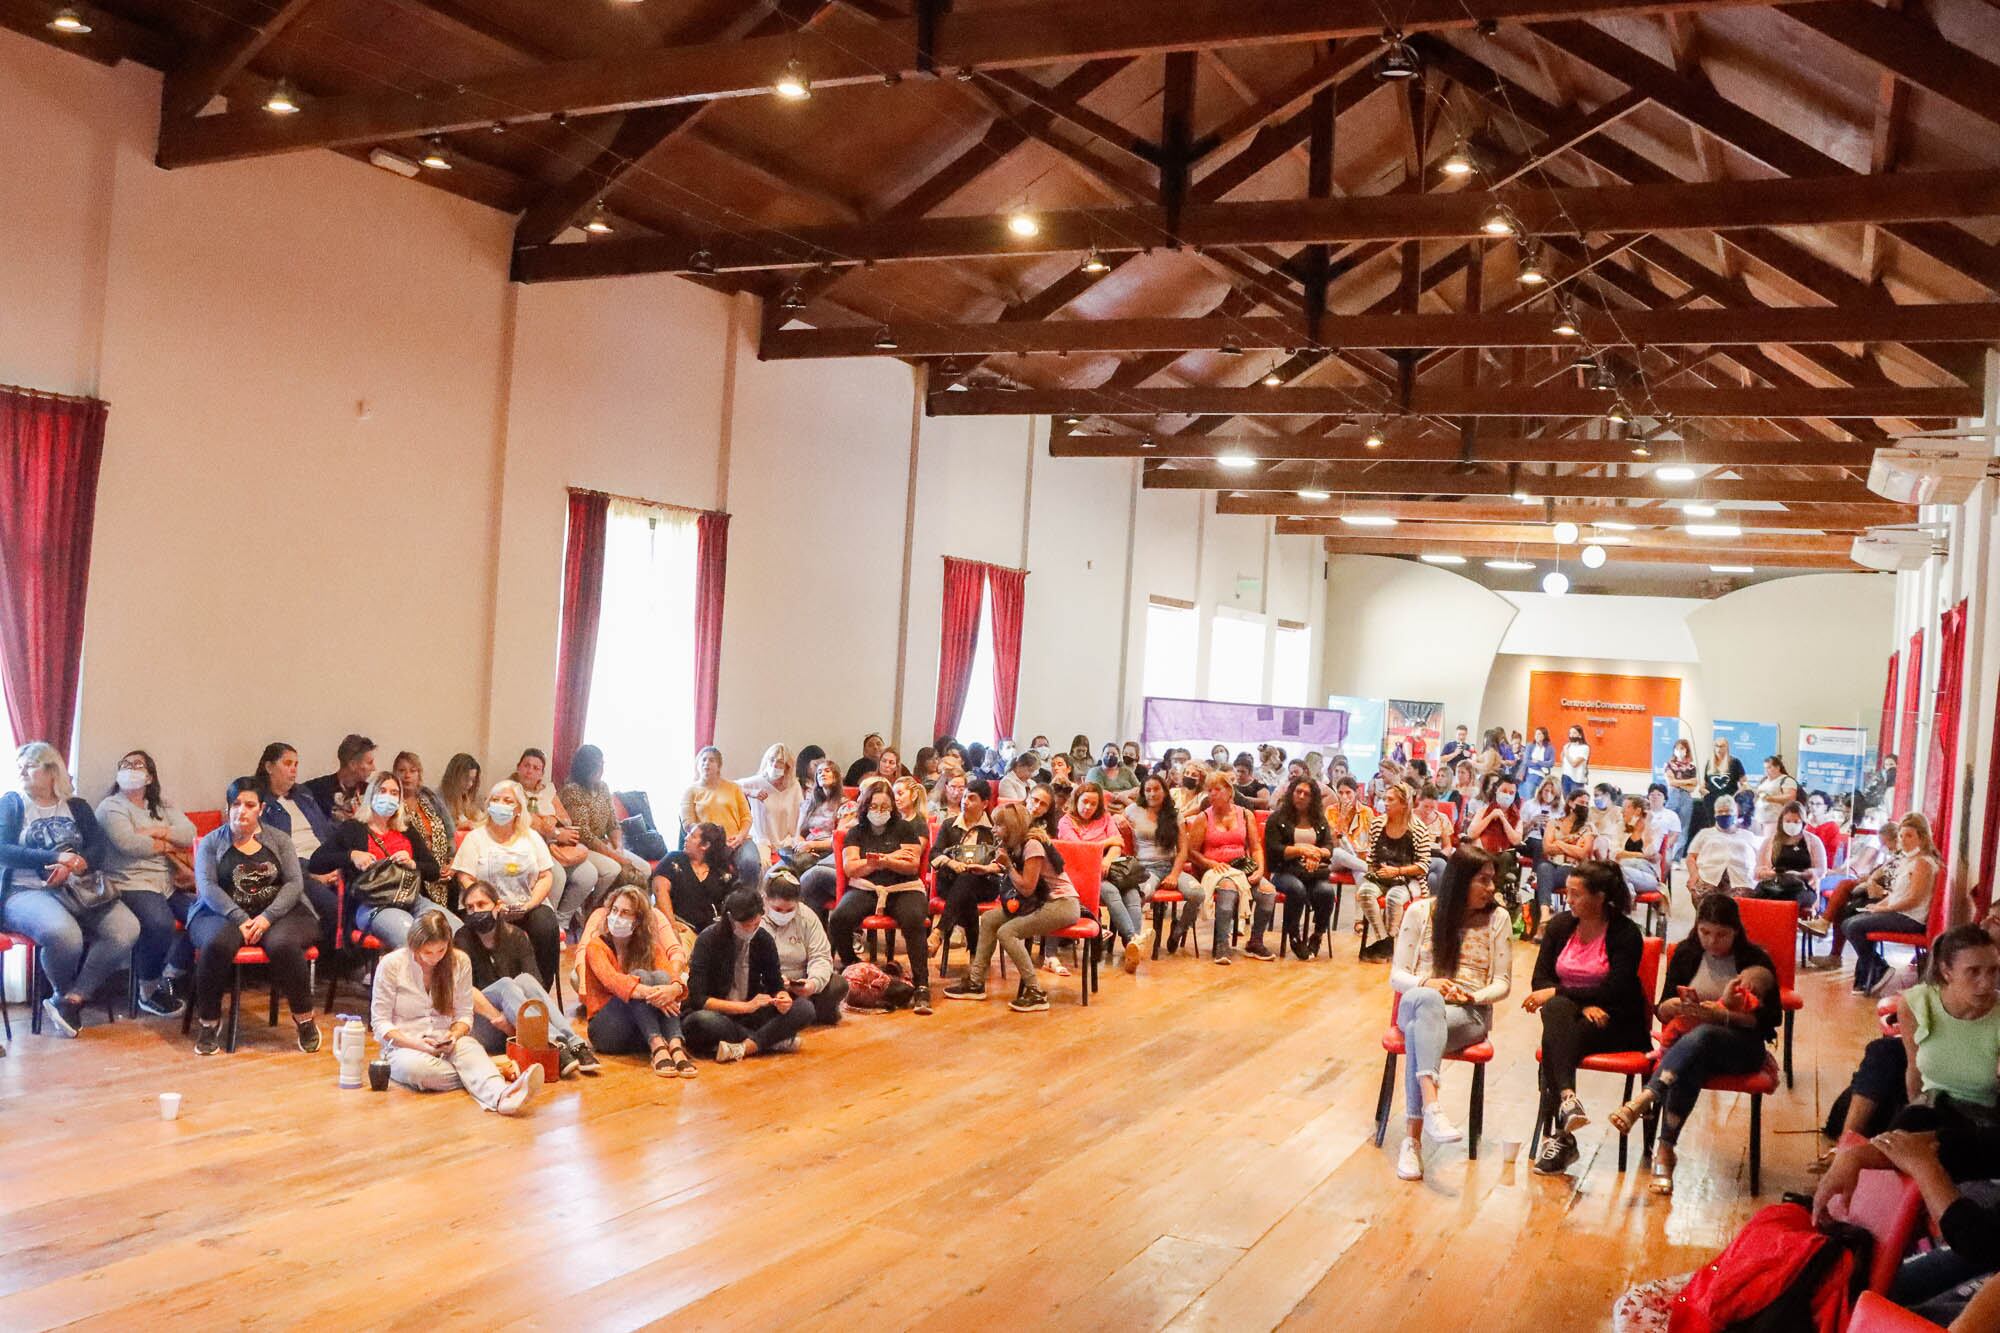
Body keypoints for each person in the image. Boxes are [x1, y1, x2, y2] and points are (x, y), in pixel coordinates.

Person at [1813, 924, 2000, 1314]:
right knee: (1862, 1288)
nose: (1986, 982)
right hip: (1943, 1112)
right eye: (1975, 972)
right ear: (1946, 970)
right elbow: (1970, 1143)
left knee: (1899, 1311)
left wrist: (1921, 1163)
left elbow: (1980, 1240)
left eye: (1994, 971)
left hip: (1979, 1116)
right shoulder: (1919, 1002)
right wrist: (1861, 1154)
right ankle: (1853, 1188)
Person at [1607, 895, 1782, 1194]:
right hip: (1692, 1045)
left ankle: (1649, 1097)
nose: (1712, 942)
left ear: (1736, 931)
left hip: (1742, 1047)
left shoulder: (1756, 961)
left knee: (1703, 1037)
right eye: (1705, 932)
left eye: (1722, 935)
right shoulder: (1687, 953)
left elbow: (1769, 1022)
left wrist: (1723, 1015)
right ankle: (1665, 1150)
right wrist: (1674, 1006)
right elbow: (1661, 1010)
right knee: (1694, 1060)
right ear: (1697, 928)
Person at [1390, 847, 1514, 1180]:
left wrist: (1474, 995)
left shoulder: (1498, 918)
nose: (1491, 888)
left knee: (1419, 1030)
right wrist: (1428, 982)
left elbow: (1503, 983)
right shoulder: (1420, 912)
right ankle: (1432, 1107)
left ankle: (1413, 1142)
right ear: (1460, 881)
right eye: (1483, 880)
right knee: (1426, 1003)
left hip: (1467, 1014)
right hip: (1419, 1001)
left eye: (1493, 880)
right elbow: (1396, 975)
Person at [0, 742, 134, 1038]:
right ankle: (62, 992)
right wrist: (55, 858)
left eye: (30, 765)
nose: (22, 770)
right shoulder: (12, 802)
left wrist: (77, 863)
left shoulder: (77, 806)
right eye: (19, 764)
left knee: (125, 928)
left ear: (51, 772)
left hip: (79, 888)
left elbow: (98, 847)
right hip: (26, 892)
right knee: (64, 935)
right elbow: (3, 850)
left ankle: (71, 1000)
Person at [1525, 860, 1648, 1176]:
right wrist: (1578, 1004)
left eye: (1577, 894)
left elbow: (1615, 990)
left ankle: (1563, 1138)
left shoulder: (1626, 933)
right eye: (1567, 893)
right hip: (1574, 1017)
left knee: (1555, 1025)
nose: (1569, 900)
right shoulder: (1561, 926)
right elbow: (1540, 981)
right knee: (1557, 1016)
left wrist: (1560, 995)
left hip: (1617, 1021)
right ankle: (1568, 1101)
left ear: (1601, 896)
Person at [189, 782, 322, 1056]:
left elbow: (294, 883)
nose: (242, 812)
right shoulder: (212, 842)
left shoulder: (280, 840)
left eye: (249, 805)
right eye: (236, 805)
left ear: (261, 809)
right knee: (216, 945)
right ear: (228, 808)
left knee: (283, 944)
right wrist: (239, 917)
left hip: (281, 910)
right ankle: (209, 1022)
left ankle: (305, 1019)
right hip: (221, 911)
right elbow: (207, 886)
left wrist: (266, 917)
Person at [371, 909, 543, 1113]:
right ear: (414, 945)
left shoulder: (459, 961)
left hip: (446, 1041)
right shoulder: (392, 964)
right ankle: (490, 1070)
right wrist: (418, 1045)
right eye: (427, 952)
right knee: (420, 1071)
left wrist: (453, 1035)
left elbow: (464, 1015)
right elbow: (380, 1023)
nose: (434, 958)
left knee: (468, 1047)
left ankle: (501, 1096)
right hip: (404, 1046)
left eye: (441, 950)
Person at [944, 802, 1082, 1011]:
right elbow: (1005, 866)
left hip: (1061, 904)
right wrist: (986, 868)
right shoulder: (1018, 844)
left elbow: (1026, 887)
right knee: (990, 919)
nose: (993, 829)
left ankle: (1035, 992)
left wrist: (1007, 865)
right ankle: (976, 982)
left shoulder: (1032, 845)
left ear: (1012, 827)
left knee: (1008, 932)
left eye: (999, 825)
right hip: (1040, 902)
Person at [453, 879, 596, 1077]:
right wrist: (502, 1020)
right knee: (506, 984)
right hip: (486, 1021)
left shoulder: (517, 936)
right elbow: (465, 993)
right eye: (470, 907)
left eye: (482, 904)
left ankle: (574, 1043)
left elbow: (535, 986)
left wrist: (519, 1017)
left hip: (522, 1024)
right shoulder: (462, 939)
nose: (476, 911)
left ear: (498, 906)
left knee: (525, 981)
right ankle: (552, 1043)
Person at [96, 749, 197, 1017]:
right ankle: (148, 990)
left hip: (168, 882)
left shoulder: (163, 805)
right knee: (159, 923)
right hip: (130, 881)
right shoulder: (111, 806)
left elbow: (189, 834)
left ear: (149, 776)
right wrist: (166, 843)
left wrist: (157, 832)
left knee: (206, 915)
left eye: (137, 765)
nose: (130, 768)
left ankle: (173, 971)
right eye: (125, 764)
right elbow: (129, 843)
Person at [306, 771, 451, 949]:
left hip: (411, 898)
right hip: (372, 904)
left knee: (454, 930)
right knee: (413, 935)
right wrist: (351, 855)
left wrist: (412, 863)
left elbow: (434, 871)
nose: (388, 797)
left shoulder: (406, 830)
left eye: (394, 793)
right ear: (371, 795)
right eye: (382, 791)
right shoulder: (353, 828)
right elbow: (316, 863)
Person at [827, 783, 933, 1013]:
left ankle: (922, 984)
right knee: (838, 918)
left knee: (915, 919)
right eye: (874, 805)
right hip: (866, 888)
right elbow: (850, 868)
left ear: (892, 807)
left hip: (903, 888)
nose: (879, 810)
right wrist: (888, 859)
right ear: (865, 806)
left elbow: (911, 865)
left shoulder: (905, 828)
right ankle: (851, 963)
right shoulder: (856, 832)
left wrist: (880, 861)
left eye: (885, 806)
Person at [683, 888, 813, 1061]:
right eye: (746, 925)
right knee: (700, 1022)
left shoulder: (763, 939)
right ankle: (770, 1041)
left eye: (756, 924)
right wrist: (746, 1007)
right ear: (730, 919)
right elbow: (698, 998)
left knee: (805, 1008)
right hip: (720, 1013)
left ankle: (747, 1047)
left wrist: (782, 998)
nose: (751, 929)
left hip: (751, 1015)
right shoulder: (708, 940)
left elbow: (775, 984)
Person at [449, 779, 559, 984]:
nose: (500, 804)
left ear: (518, 809)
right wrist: (489, 904)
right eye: (495, 800)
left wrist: (529, 905)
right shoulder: (475, 838)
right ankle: (493, 990)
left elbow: (546, 876)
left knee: (545, 925)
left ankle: (539, 991)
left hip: (525, 905)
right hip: (486, 908)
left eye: (507, 800)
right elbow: (465, 877)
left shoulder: (532, 837)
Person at [582, 884, 695, 1076]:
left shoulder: (649, 946)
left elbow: (671, 976)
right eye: (615, 910)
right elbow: (614, 982)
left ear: (637, 921)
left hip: (638, 1027)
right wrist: (658, 993)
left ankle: (675, 1045)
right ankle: (658, 1045)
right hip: (607, 1028)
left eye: (625, 913)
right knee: (641, 976)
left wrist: (673, 989)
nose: (617, 917)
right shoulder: (596, 946)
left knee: (661, 977)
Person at [243, 741, 340, 939]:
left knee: (362, 898)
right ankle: (330, 966)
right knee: (334, 907)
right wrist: (313, 875)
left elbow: (326, 832)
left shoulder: (303, 795)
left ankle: (363, 964)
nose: (293, 770)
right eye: (287, 764)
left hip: (326, 861)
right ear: (269, 767)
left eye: (296, 764)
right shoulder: (259, 804)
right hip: (296, 869)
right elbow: (268, 854)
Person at [1185, 771, 1278, 964]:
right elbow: (1191, 852)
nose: (1212, 794)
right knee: (1228, 889)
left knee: (1268, 891)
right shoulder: (1203, 817)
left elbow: (1255, 848)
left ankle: (1255, 941)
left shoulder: (1245, 814)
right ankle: (1221, 943)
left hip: (1241, 868)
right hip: (1215, 870)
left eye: (1217, 790)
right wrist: (1211, 863)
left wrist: (1260, 870)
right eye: (1209, 790)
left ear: (1229, 791)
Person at [1845, 811, 1942, 993]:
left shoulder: (1923, 863)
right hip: (1898, 912)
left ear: (1922, 838)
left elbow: (1914, 899)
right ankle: (1870, 974)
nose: (1903, 840)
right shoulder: (1907, 860)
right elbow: (1897, 893)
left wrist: (1886, 909)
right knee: (1850, 920)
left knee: (1853, 927)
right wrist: (1877, 906)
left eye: (1909, 836)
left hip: (1910, 918)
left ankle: (1879, 969)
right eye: (1901, 835)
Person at [1057, 782, 1149, 967]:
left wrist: (1106, 860)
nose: (1088, 807)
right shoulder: (1066, 821)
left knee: (1131, 893)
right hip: (1082, 875)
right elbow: (1078, 849)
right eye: (1085, 802)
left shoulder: (1105, 818)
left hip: (1108, 870)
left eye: (1093, 803)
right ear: (1076, 801)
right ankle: (1133, 940)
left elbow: (1118, 844)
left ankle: (1132, 943)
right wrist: (1105, 843)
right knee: (1111, 892)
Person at [512, 747, 598, 929]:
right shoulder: (511, 791)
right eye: (526, 765)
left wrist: (550, 824)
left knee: (589, 874)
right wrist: (553, 827)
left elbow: (565, 818)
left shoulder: (547, 791)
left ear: (541, 774)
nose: (530, 771)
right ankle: (546, 925)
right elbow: (528, 820)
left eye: (536, 768)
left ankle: (562, 921)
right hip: (527, 847)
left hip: (551, 846)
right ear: (518, 767)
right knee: (556, 875)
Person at [1126, 774, 1204, 956]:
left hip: (1169, 867)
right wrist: (1118, 820)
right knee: (1142, 894)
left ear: (1165, 791)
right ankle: (1134, 941)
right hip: (1145, 868)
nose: (1152, 794)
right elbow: (1114, 819)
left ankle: (1179, 931)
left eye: (1156, 789)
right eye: (1148, 790)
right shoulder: (1133, 810)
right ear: (1143, 793)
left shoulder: (1174, 815)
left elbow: (1183, 850)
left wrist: (1174, 875)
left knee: (1197, 893)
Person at [1358, 782, 1434, 962]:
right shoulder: (1377, 825)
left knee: (1394, 898)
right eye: (1385, 799)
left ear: (1403, 804)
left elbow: (1423, 866)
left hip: (1410, 880)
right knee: (1365, 893)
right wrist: (1375, 874)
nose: (1385, 803)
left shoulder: (1418, 829)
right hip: (1382, 876)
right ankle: (1385, 941)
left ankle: (1387, 943)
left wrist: (1397, 871)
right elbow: (1372, 858)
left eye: (1390, 800)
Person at [560, 744, 651, 890]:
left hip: (605, 844)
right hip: (583, 846)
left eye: (602, 764)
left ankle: (622, 906)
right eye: (597, 765)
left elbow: (613, 823)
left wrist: (619, 848)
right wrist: (616, 856)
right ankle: (594, 907)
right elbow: (584, 834)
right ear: (585, 767)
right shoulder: (572, 790)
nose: (601, 769)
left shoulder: (603, 787)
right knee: (613, 869)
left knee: (644, 869)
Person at [761, 870, 846, 1025]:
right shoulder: (755, 919)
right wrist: (774, 982)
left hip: (800, 983)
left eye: (790, 910)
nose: (784, 914)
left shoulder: (808, 917)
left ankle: (797, 1014)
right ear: (765, 900)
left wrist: (812, 983)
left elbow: (821, 956)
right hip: (765, 985)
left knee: (838, 984)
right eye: (778, 910)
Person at [1266, 776, 1337, 960]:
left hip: (1313, 871)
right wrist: (1300, 850)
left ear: (1313, 798)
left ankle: (1318, 934)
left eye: (1307, 793)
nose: (1302, 796)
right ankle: (1294, 935)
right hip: (1285, 870)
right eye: (1298, 792)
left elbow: (1329, 846)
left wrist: (1317, 854)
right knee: (1296, 889)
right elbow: (1274, 849)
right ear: (1291, 793)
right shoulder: (1277, 818)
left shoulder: (1319, 819)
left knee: (1326, 891)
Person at [679, 746, 762, 887]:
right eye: (703, 760)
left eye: (711, 760)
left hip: (738, 840)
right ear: (698, 765)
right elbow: (688, 823)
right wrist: (712, 839)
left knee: (750, 863)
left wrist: (740, 836)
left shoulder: (734, 788)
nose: (706, 763)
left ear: (719, 766)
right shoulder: (690, 791)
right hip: (708, 844)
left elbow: (746, 817)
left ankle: (747, 902)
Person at [391, 751, 458, 910]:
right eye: (402, 771)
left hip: (442, 865)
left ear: (419, 775)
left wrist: (451, 862)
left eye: (412, 771)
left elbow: (449, 831)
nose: (407, 775)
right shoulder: (392, 804)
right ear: (394, 775)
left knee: (455, 886)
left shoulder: (429, 798)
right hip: (415, 868)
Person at [1530, 791, 1595, 941]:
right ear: (1571, 803)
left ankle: (1544, 924)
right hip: (1551, 865)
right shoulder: (1554, 823)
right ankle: (1545, 916)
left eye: (1586, 803)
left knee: (1559, 870)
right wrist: (1571, 844)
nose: (1584, 806)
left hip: (1573, 869)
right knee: (1543, 868)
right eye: (1581, 802)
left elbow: (1583, 854)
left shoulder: (1587, 828)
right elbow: (1546, 848)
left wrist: (1558, 843)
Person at [652, 821, 738, 933]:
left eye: (692, 836)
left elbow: (733, 903)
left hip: (713, 932)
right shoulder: (673, 859)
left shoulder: (721, 871)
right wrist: (672, 924)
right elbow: (660, 892)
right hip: (681, 927)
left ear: (705, 845)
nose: (686, 838)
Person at [1749, 799, 1827, 913]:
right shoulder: (1770, 841)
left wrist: (1802, 874)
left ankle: (1785, 928)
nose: (1792, 824)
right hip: (1775, 882)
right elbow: (1757, 870)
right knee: (1759, 896)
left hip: (1802, 887)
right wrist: (1771, 874)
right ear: (1782, 821)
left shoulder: (1813, 841)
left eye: (1796, 821)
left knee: (1788, 899)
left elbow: (1821, 870)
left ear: (1803, 822)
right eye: (1788, 821)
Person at [790, 758, 845, 919]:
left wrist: (812, 845)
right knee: (774, 875)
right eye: (819, 772)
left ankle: (803, 926)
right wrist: (801, 843)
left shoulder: (845, 805)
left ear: (836, 776)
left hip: (829, 854)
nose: (823, 774)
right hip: (806, 851)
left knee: (803, 880)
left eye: (827, 771)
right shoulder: (809, 804)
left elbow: (841, 840)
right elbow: (798, 833)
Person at [1682, 795, 1759, 908]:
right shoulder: (1705, 833)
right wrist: (1693, 876)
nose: (1724, 814)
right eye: (1720, 811)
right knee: (1706, 902)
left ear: (1736, 813)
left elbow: (1760, 859)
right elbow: (1691, 857)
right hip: (1709, 878)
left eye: (1728, 811)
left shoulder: (1748, 835)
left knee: (1737, 906)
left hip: (1741, 879)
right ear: (1715, 814)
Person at [739, 743, 800, 869]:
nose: (774, 765)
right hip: (762, 838)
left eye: (780, 762)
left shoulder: (794, 786)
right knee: (763, 863)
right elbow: (731, 787)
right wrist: (751, 792)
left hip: (785, 838)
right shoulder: (757, 782)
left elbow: (799, 812)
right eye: (771, 760)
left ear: (787, 766)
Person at [1688, 736, 1746, 847]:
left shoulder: (1734, 762)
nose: (1719, 749)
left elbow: (1744, 783)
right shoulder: (1710, 763)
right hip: (1711, 801)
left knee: (1728, 826)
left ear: (1727, 747)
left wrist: (1737, 795)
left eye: (1722, 746)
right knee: (1712, 828)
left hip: (1728, 801)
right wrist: (1703, 790)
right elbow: (1704, 783)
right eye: (1717, 746)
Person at [303, 733, 375, 823]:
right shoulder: (316, 789)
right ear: (353, 765)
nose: (373, 768)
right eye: (370, 762)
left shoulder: (372, 793)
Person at [1613, 795, 1661, 898]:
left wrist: (1647, 824)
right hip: (1624, 870)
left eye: (1626, 808)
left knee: (1616, 873)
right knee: (1618, 875)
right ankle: (1630, 895)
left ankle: (1627, 898)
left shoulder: (1655, 828)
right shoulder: (1621, 826)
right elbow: (1615, 852)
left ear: (1638, 811)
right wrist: (1641, 855)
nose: (1622, 812)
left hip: (1647, 875)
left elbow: (1650, 853)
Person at [1663, 739, 1699, 858]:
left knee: (1683, 828)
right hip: (1673, 796)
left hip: (1686, 799)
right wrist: (1687, 782)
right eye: (1677, 748)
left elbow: (1692, 787)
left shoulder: (1691, 767)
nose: (1680, 751)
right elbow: (1671, 782)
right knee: (1668, 826)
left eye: (1682, 748)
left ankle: (1676, 858)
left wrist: (1679, 783)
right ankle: (1666, 855)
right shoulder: (1669, 765)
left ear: (1687, 751)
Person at [436, 752, 484, 832]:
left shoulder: (471, 797)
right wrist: (458, 828)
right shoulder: (437, 799)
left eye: (473, 780)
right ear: (454, 777)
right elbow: (435, 834)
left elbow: (480, 818)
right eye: (466, 779)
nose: (470, 784)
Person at [1751, 755, 1799, 834]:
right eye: (1765, 768)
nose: (1766, 770)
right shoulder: (1764, 781)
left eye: (1769, 768)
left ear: (1777, 768)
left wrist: (1770, 798)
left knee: (1769, 843)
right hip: (1759, 819)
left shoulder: (1786, 780)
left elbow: (1790, 797)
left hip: (1774, 820)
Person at [1645, 783, 1684, 866]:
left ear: (1665, 799)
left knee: (1665, 858)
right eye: (1652, 794)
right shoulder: (1642, 813)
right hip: (1643, 846)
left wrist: (1663, 848)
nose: (1655, 797)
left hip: (1663, 848)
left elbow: (1674, 835)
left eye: (1659, 795)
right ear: (1648, 797)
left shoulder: (1671, 815)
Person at [1522, 726, 1555, 795]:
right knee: (1529, 794)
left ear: (1544, 735)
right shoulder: (1530, 746)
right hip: (1531, 774)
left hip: (1544, 776)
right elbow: (1526, 761)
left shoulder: (1550, 748)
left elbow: (1551, 763)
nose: (1536, 736)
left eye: (1539, 734)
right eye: (1536, 734)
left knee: (1544, 796)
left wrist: (1537, 761)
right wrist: (1541, 766)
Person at [1559, 726, 1590, 797]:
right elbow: (1562, 760)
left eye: (1574, 733)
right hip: (1565, 776)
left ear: (1580, 735)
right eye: (1570, 733)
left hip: (1577, 779)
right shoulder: (1568, 746)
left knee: (1576, 801)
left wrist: (1566, 752)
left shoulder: (1585, 748)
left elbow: (1574, 764)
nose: (1571, 735)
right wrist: (1564, 750)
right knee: (1566, 801)